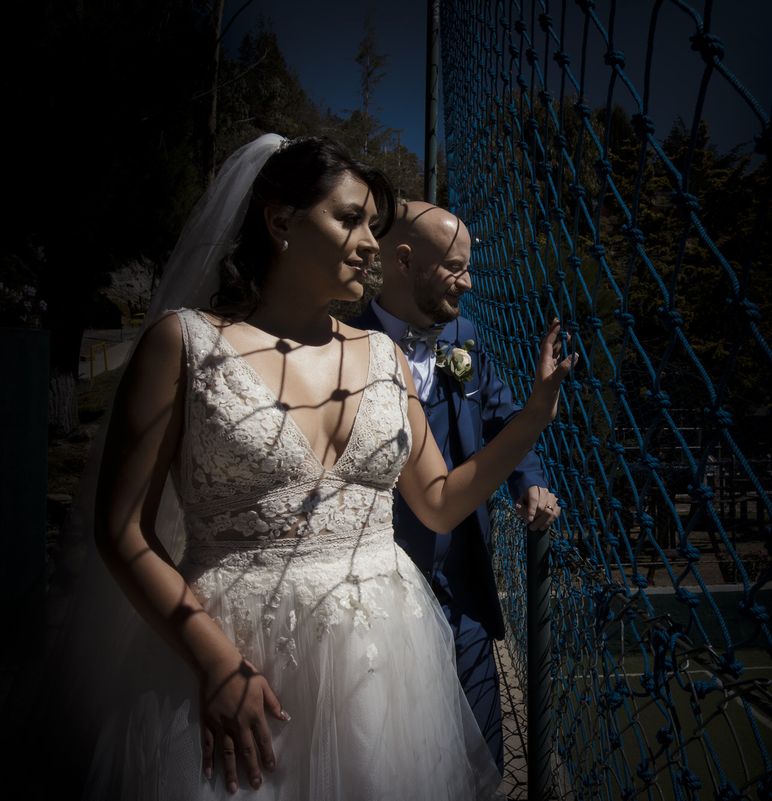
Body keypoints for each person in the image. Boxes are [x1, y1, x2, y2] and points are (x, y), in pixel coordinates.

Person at [77, 133, 574, 799]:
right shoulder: (186, 343)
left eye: (373, 223)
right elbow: (122, 531)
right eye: (349, 219)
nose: (371, 242)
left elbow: (440, 501)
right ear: (280, 222)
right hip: (234, 651)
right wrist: (213, 658)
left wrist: (533, 417)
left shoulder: (381, 356)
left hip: (385, 667)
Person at [346, 202, 559, 768]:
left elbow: (499, 416)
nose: (468, 283)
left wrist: (528, 481)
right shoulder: (341, 345)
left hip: (462, 586)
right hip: (377, 592)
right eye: (455, 268)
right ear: (404, 259)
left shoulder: (462, 336)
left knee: (483, 757)